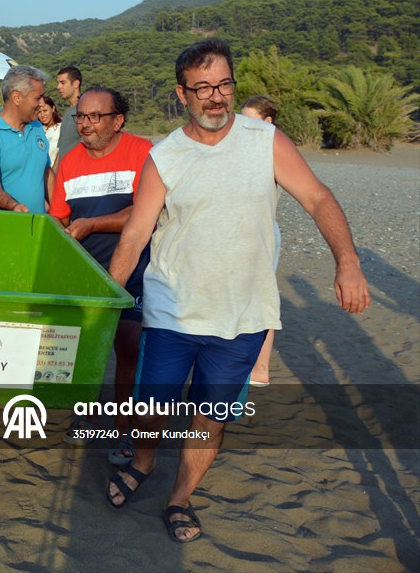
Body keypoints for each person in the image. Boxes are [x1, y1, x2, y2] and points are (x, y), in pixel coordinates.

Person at [105, 39, 369, 543]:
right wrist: (109, 296)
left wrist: (348, 260)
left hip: (243, 317)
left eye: (223, 84)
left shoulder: (264, 140)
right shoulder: (165, 156)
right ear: (182, 94)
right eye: (201, 88)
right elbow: (136, 233)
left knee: (210, 416)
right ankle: (142, 460)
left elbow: (316, 196)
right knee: (151, 408)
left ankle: (180, 497)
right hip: (173, 312)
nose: (215, 97)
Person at [49, 85, 152, 466]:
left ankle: (123, 425)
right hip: (85, 271)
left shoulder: (143, 153)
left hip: (136, 268)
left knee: (128, 346)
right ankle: (90, 416)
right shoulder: (70, 161)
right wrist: (58, 230)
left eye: (96, 116)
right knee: (81, 351)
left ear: (118, 120)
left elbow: (147, 211)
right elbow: (60, 215)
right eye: (81, 116)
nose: (86, 124)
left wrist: (93, 224)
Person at [0, 65, 55, 214]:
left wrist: (60, 213)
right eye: (37, 98)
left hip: (36, 226)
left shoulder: (36, 126)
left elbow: (46, 173)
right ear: (16, 97)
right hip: (2, 228)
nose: (42, 103)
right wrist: (15, 206)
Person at [241, 95, 280, 387]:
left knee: (262, 297)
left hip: (263, 232)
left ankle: (261, 367)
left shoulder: (274, 150)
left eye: (250, 120)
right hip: (244, 231)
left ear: (268, 123)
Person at [55, 66, 83, 159]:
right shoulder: (68, 112)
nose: (58, 87)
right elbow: (61, 150)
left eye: (63, 83)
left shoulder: (83, 111)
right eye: (58, 83)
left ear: (76, 84)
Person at [37, 94, 63, 170]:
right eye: (39, 112)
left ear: (53, 108)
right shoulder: (37, 130)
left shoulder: (61, 128)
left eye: (45, 111)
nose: (42, 115)